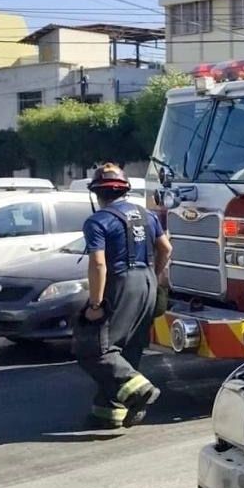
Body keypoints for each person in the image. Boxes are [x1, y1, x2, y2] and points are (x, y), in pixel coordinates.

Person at [75, 163, 172, 430]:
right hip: (148, 281)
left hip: (121, 284)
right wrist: (155, 275)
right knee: (128, 347)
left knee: (94, 348)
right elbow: (165, 248)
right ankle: (108, 412)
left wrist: (95, 304)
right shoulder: (147, 215)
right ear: (125, 190)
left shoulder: (98, 221)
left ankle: (140, 392)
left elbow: (97, 264)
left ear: (97, 193)